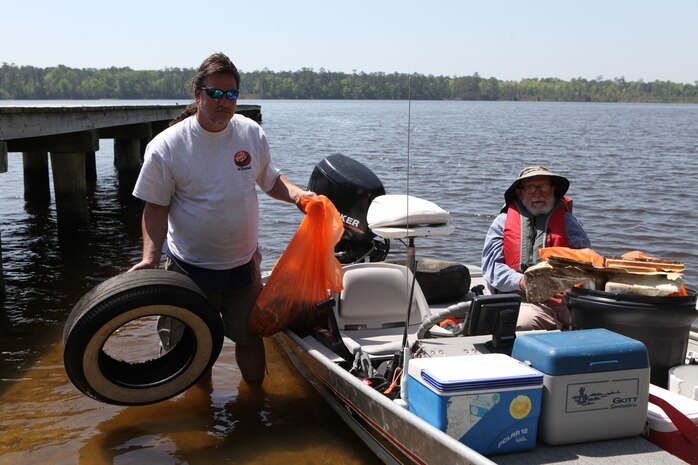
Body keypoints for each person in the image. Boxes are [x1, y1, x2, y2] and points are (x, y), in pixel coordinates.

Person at [129, 52, 315, 385]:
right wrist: (150, 258)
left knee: (250, 338)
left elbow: (270, 180)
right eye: (215, 93)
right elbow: (155, 206)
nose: (223, 101)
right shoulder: (167, 146)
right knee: (192, 351)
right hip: (187, 268)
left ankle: (255, 404)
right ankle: (204, 415)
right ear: (197, 94)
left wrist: (299, 195)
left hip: (241, 267)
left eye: (231, 94)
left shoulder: (250, 133)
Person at [481, 166, 590, 331]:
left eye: (543, 187)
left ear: (553, 190)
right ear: (519, 192)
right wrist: (526, 283)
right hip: (521, 298)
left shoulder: (568, 222)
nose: (537, 193)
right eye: (531, 187)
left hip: (564, 298)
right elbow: (492, 268)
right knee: (524, 322)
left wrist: (569, 287)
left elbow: (587, 263)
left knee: (597, 319)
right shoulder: (501, 222)